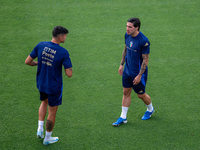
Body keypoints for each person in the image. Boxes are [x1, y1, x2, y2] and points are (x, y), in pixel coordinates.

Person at [25, 26, 73, 144]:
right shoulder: (63, 52)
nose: (66, 38)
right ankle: (47, 139)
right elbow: (69, 74)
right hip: (54, 87)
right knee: (52, 112)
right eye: (65, 36)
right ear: (61, 37)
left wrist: (39, 63)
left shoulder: (41, 45)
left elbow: (28, 61)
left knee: (43, 102)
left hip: (41, 83)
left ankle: (39, 130)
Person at [112, 18, 154, 126]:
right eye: (126, 26)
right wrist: (121, 64)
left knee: (140, 95)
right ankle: (123, 117)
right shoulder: (127, 35)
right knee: (126, 92)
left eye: (130, 27)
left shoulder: (144, 41)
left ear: (137, 27)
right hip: (127, 71)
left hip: (138, 73)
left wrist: (140, 75)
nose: (127, 28)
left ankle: (150, 109)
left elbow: (145, 60)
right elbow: (125, 49)